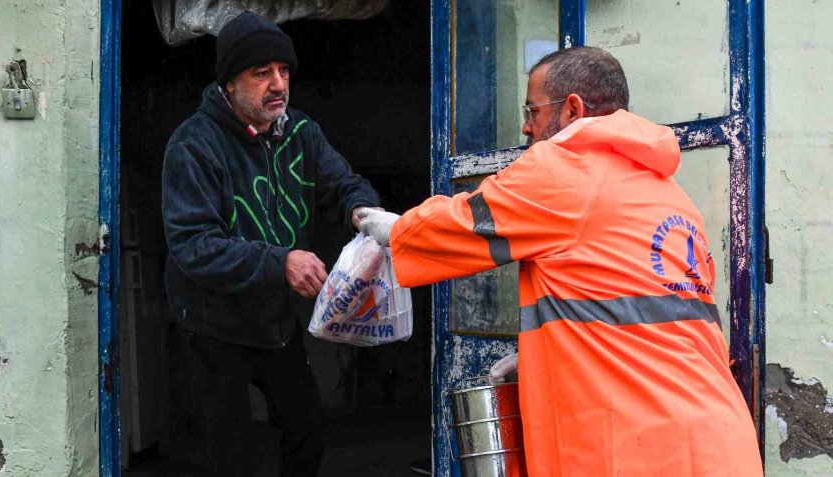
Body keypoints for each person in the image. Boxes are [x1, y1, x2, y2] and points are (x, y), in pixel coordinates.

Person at [358, 46, 763, 476]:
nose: (525, 126)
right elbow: (644, 318)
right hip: (717, 443)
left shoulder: (567, 165)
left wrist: (394, 228)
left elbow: (462, 224)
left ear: (572, 109)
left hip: (641, 451)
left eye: (532, 109)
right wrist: (547, 351)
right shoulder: (669, 196)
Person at [161, 11, 379, 476]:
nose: (278, 84)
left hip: (273, 322)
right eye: (261, 73)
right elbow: (193, 244)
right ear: (229, 83)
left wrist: (364, 213)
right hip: (212, 325)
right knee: (232, 453)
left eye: (283, 72)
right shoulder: (194, 145)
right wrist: (281, 263)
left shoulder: (300, 133)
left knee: (306, 431)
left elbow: (342, 183)